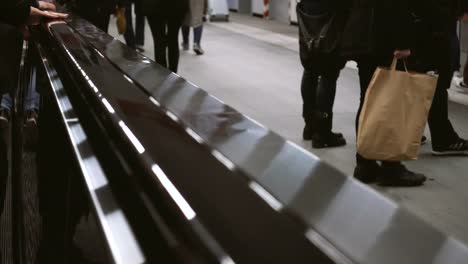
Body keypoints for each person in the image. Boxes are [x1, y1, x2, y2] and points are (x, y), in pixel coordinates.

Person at [343, 0, 427, 186]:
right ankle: (391, 168)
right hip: (382, 35)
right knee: (391, 102)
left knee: (368, 99)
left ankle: (365, 164)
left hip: (363, 32)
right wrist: (403, 41)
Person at [410, 0, 468, 156]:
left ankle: (409, 132)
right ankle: (443, 139)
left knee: (424, 82)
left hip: (427, 25)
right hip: (434, 28)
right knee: (435, 84)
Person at [297, 0, 347, 149]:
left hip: (309, 15)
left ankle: (310, 125)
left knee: (310, 71)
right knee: (328, 75)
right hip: (330, 18)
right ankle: (322, 132)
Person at [144, 0, 189, 73]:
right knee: (173, 39)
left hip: (153, 5)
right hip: (177, 5)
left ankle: (162, 75)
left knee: (159, 41)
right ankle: (173, 74)